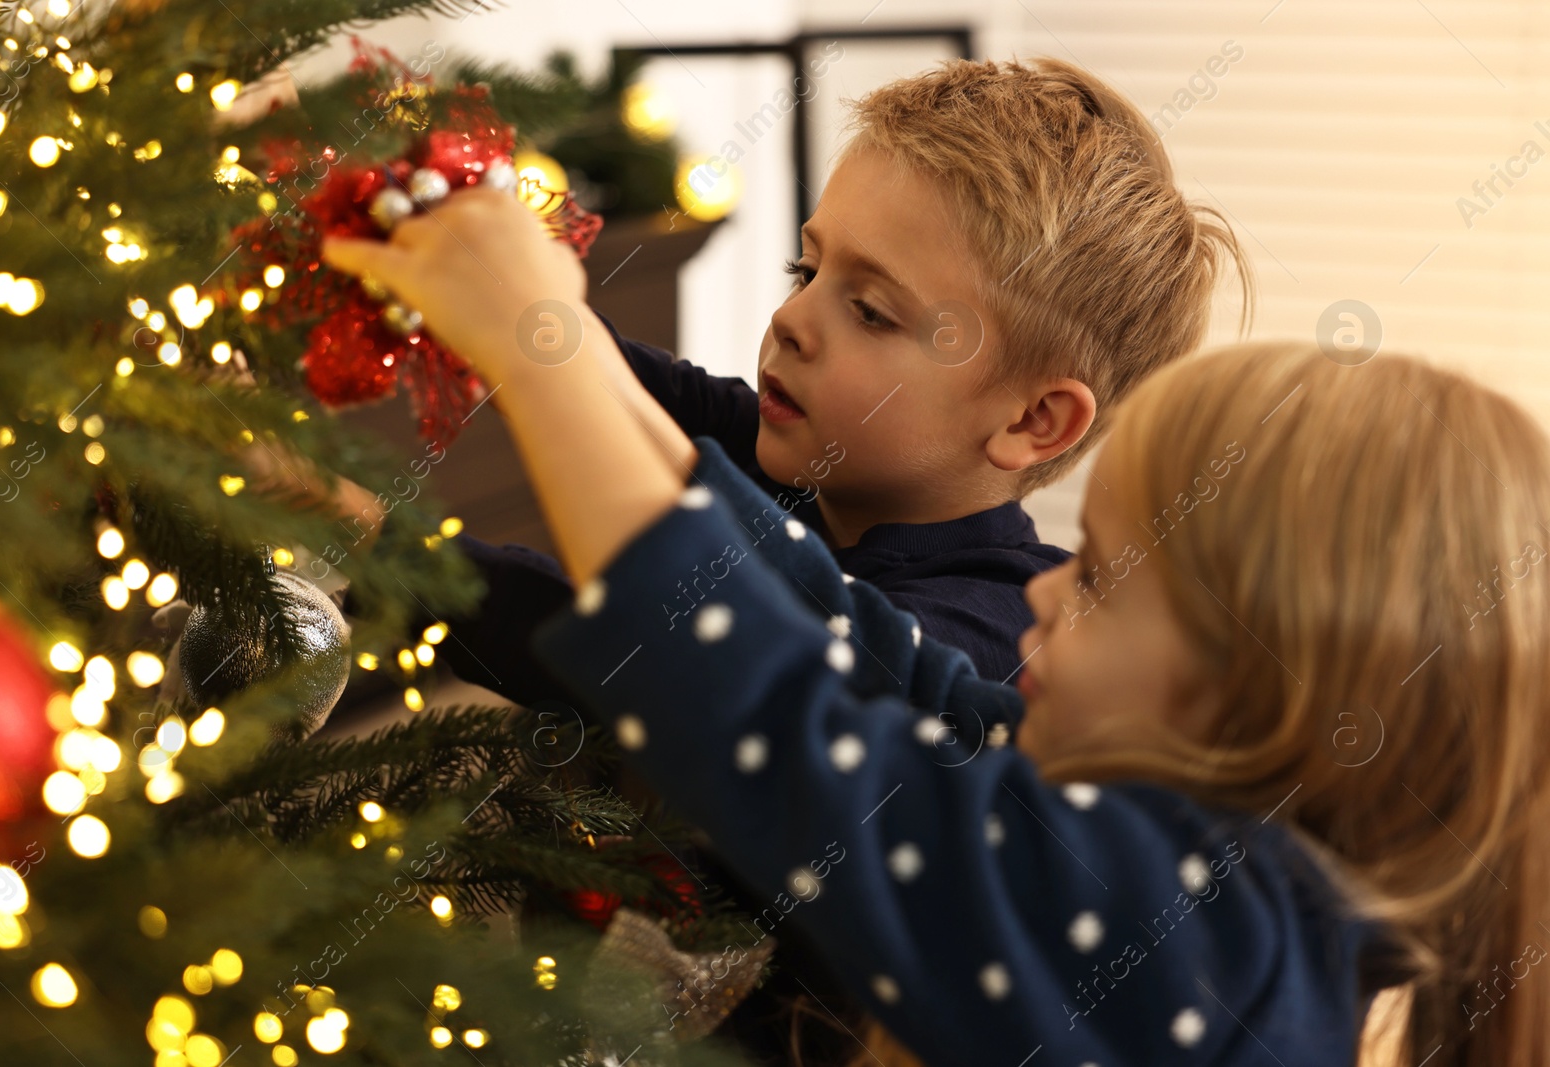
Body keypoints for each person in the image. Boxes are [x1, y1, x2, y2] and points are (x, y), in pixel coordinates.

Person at [324, 175, 1550, 1063]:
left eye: (1109, 576)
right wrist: (556, 342)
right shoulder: (1165, 845)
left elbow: (770, 713)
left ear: (1266, 688)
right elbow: (835, 631)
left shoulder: (1202, 948)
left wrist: (539, 346)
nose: (1048, 585)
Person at [328, 56, 1251, 699]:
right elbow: (644, 389)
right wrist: (412, 240)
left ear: (1035, 420)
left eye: (872, 312)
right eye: (805, 272)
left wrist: (366, 533)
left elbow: (652, 656)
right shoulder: (811, 468)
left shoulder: (994, 637)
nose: (792, 320)